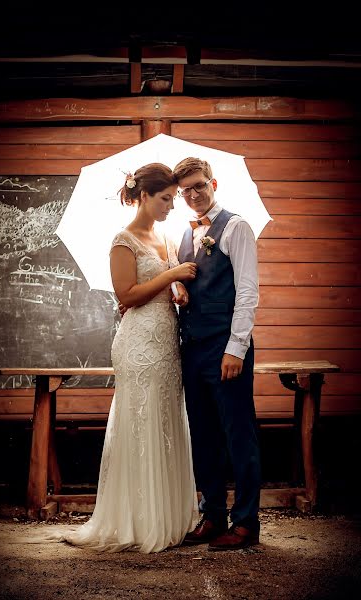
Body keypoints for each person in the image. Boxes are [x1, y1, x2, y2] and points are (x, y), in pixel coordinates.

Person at [53, 163, 199, 553]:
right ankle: (138, 520)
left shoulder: (166, 237)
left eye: (174, 198)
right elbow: (127, 296)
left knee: (166, 420)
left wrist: (177, 290)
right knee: (141, 420)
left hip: (166, 340)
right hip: (138, 343)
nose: (172, 205)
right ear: (144, 196)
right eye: (166, 198)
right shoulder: (124, 240)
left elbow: (161, 287)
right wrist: (172, 277)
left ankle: (168, 516)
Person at [173, 156, 262, 551]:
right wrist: (180, 294)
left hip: (226, 350)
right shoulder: (185, 234)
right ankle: (213, 516)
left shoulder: (237, 226)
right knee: (204, 435)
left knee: (238, 435)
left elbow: (247, 292)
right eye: (185, 190)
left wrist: (236, 348)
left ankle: (245, 523)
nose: (193, 195)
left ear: (214, 183)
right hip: (192, 349)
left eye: (199, 186)